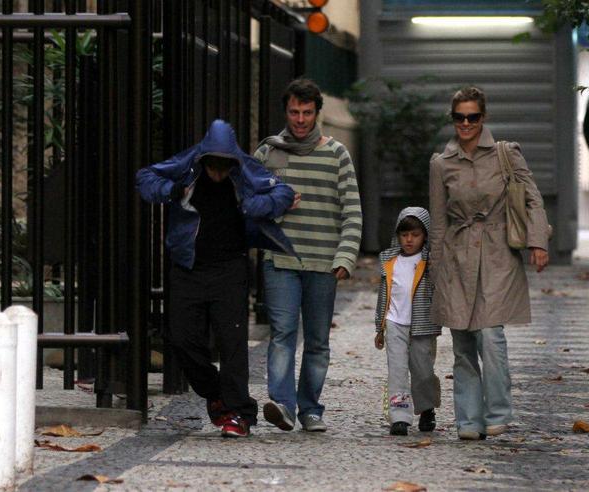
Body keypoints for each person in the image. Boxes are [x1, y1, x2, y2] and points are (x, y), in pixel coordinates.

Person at [136, 119, 297, 438]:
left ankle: (240, 414)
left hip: (230, 269)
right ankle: (219, 395)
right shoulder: (187, 162)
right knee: (182, 339)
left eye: (226, 167)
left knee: (232, 343)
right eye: (214, 166)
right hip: (188, 267)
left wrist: (254, 204)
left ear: (234, 162)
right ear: (204, 159)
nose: (219, 173)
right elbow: (145, 178)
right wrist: (171, 190)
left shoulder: (247, 168)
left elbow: (283, 193)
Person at [429, 86, 550, 441]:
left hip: (498, 253)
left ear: (484, 117)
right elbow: (438, 221)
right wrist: (434, 271)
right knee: (463, 342)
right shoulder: (441, 163)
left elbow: (533, 199)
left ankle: (499, 411)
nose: (466, 123)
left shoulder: (506, 154)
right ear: (452, 119)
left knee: (490, 334)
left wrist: (538, 242)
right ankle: (468, 420)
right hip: (457, 255)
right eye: (459, 117)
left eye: (473, 117)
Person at [255, 78, 362, 432]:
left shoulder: (336, 154)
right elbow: (248, 205)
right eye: (293, 112)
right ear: (285, 112)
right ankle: (283, 405)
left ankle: (310, 409)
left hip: (323, 262)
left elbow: (352, 211)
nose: (300, 119)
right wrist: (277, 207)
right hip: (281, 260)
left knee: (317, 340)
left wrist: (345, 258)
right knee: (283, 332)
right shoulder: (269, 152)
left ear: (317, 113)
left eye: (306, 112)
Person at [374, 207, 441, 436]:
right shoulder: (389, 260)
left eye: (415, 235)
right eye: (404, 235)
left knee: (423, 371)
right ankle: (400, 417)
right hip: (394, 322)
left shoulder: (430, 261)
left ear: (425, 236)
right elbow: (384, 294)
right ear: (398, 235)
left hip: (423, 325)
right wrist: (379, 327)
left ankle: (427, 408)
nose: (409, 240)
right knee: (397, 371)